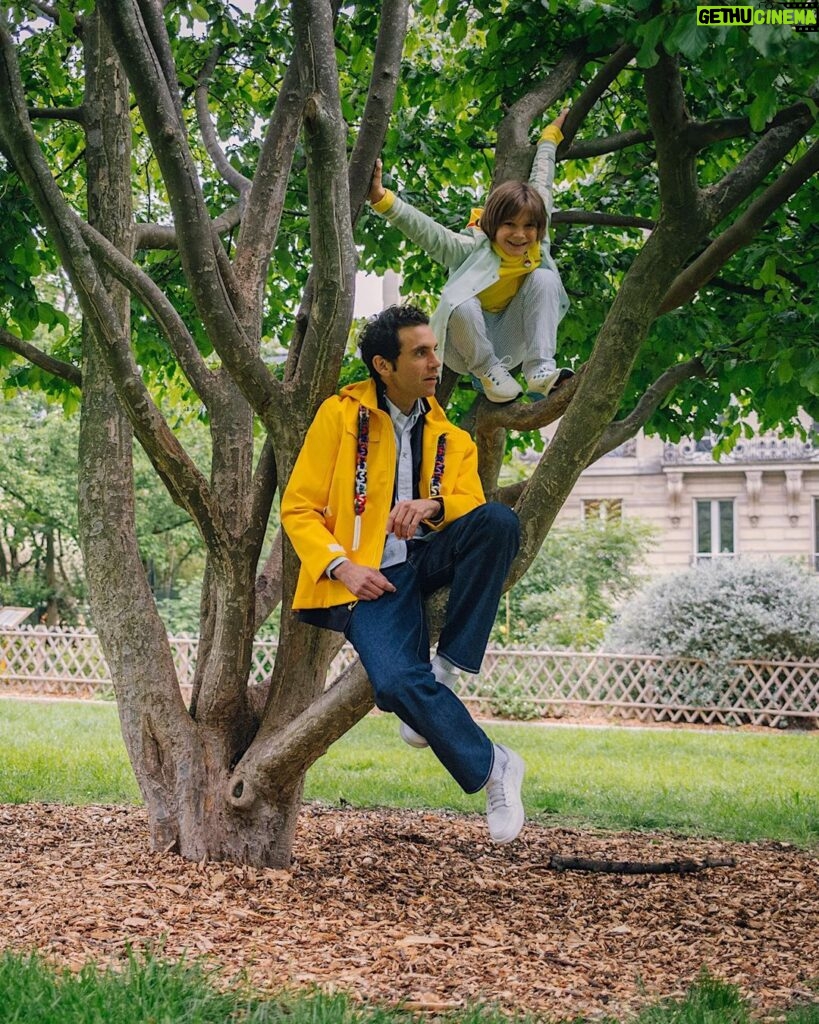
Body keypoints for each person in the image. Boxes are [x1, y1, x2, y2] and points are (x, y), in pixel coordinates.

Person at [280, 304, 526, 844]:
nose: (435, 362)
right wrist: (342, 567)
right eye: (420, 352)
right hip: (372, 575)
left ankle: (448, 669)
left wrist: (433, 506)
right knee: (392, 683)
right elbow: (298, 508)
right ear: (383, 366)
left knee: (499, 524)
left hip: (432, 556)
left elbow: (472, 503)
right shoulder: (339, 418)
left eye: (434, 349)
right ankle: (495, 765)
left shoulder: (450, 436)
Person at [368, 110, 573, 403]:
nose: (520, 235)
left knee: (545, 277)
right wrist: (382, 200)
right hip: (463, 346)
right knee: (460, 301)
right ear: (493, 225)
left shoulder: (538, 245)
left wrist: (549, 138)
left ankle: (540, 371)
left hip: (509, 338)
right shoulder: (472, 248)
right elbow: (429, 232)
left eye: (529, 226)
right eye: (509, 225)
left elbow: (543, 180)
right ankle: (487, 372)